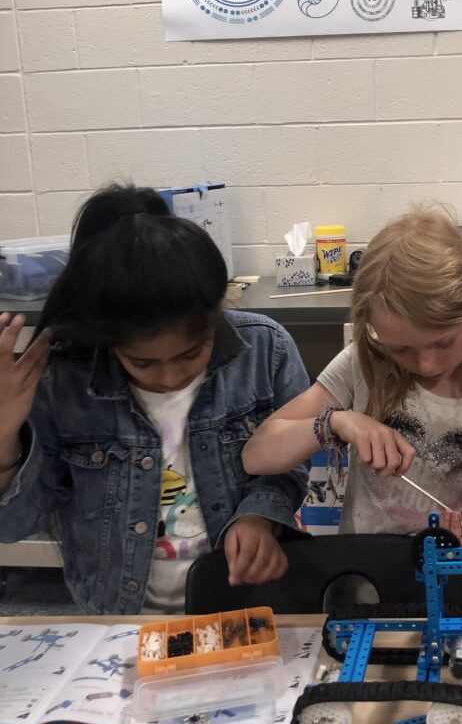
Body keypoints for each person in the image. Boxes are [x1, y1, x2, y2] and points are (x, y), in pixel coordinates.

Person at [0, 185, 310, 615]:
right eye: (142, 363)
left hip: (242, 605)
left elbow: (292, 463)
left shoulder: (265, 350)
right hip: (120, 620)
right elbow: (13, 525)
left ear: (216, 313)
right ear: (109, 342)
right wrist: (4, 434)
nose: (169, 377)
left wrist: (259, 515)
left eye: (190, 354)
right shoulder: (65, 380)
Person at [243, 208, 462, 546]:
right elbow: (256, 454)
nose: (426, 365)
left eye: (444, 342)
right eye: (401, 349)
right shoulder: (363, 363)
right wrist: (337, 421)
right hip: (368, 582)